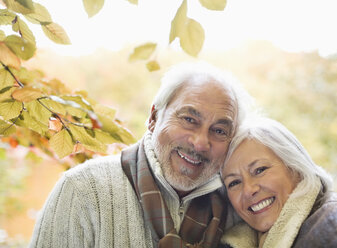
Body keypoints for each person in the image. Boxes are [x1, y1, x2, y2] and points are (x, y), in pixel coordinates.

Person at [29, 62, 251, 248]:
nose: (201, 142)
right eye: (189, 119)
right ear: (153, 118)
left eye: (220, 131)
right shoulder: (82, 189)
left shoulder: (238, 206)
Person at [220, 116, 337, 248]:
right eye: (234, 183)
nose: (248, 190)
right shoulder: (224, 242)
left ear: (295, 168)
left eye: (260, 170)